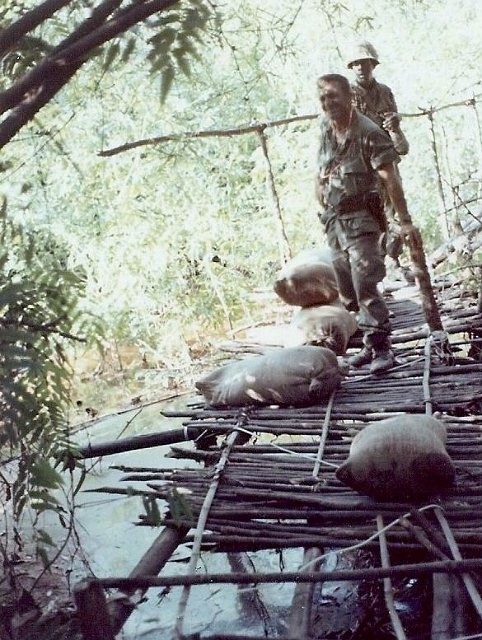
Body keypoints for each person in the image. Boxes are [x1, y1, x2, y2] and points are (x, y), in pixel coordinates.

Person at [315, 73, 420, 374]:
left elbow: (391, 178)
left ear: (349, 97)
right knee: (346, 287)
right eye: (323, 98)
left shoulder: (368, 132)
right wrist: (318, 196)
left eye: (333, 96)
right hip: (335, 221)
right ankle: (368, 344)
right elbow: (320, 166)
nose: (328, 103)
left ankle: (383, 348)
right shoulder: (325, 128)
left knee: (366, 284)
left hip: (363, 220)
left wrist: (405, 221)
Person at [346, 41, 412, 277]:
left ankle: (393, 261)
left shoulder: (385, 92)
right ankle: (375, 269)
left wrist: (394, 124)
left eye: (364, 63)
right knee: (370, 217)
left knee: (395, 211)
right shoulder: (348, 95)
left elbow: (401, 142)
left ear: (373, 64)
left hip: (387, 161)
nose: (360, 68)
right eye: (356, 64)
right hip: (362, 166)